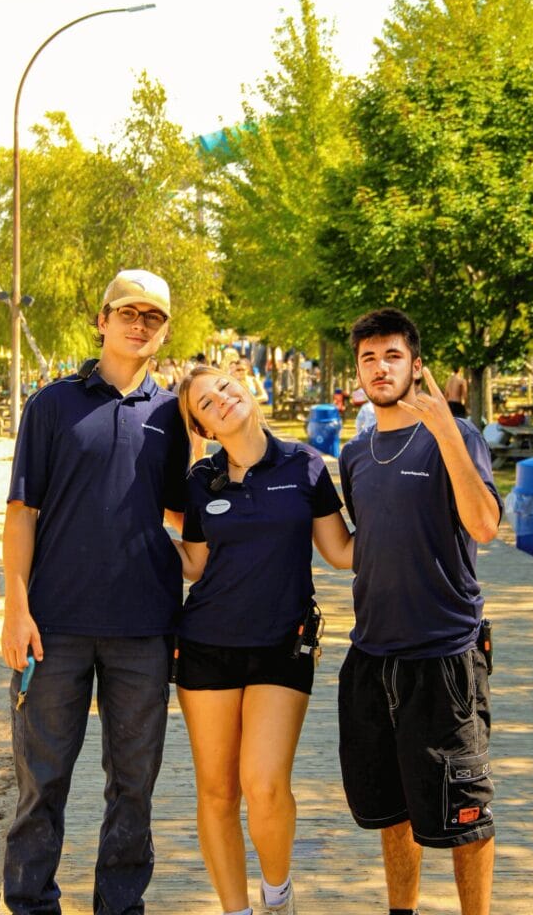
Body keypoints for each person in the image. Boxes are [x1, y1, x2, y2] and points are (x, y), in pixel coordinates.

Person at [0, 269, 190, 915]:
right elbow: (21, 513)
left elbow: (183, 521)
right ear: (101, 320)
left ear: (162, 333)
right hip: (54, 627)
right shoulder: (51, 406)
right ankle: (29, 904)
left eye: (153, 318)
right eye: (127, 312)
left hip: (144, 629)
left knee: (134, 786)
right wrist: (15, 610)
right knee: (41, 784)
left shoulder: (171, 416)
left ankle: (119, 906)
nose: (139, 325)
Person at [337, 308, 502, 915]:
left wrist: (448, 436)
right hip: (374, 656)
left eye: (393, 356)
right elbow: (359, 545)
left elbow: (483, 525)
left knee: (463, 813)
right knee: (392, 809)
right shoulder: (355, 455)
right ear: (358, 371)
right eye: (369, 358)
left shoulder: (461, 439)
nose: (380, 368)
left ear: (416, 366)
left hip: (445, 659)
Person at [172, 365, 354, 915]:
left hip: (283, 644)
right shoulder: (200, 483)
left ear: (245, 390)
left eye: (224, 388)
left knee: (265, 783)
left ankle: (277, 896)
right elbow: (196, 566)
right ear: (201, 427)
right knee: (219, 792)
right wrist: (133, 529)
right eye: (205, 403)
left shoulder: (303, 463)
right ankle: (237, 910)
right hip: (206, 645)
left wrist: (413, 523)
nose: (220, 400)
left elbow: (342, 551)